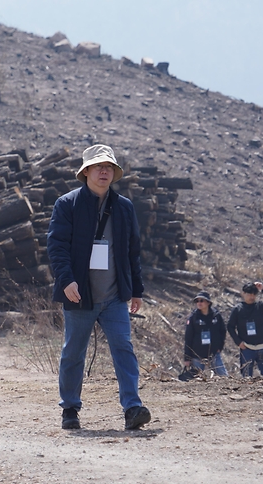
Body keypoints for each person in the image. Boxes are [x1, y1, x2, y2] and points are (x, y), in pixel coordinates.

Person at [47, 144, 151, 431]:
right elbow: (56, 247)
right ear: (86, 172)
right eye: (98, 166)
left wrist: (136, 289)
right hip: (80, 294)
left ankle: (132, 407)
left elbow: (132, 251)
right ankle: (70, 408)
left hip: (115, 296)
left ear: (114, 173)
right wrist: (66, 280)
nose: (103, 171)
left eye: (108, 167)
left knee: (124, 349)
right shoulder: (67, 205)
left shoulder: (124, 207)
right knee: (73, 352)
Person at [227, 281, 263, 377]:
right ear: (243, 293)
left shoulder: (259, 307)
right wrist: (238, 342)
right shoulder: (237, 309)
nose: (252, 297)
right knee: (246, 377)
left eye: (254, 294)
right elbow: (230, 327)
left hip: (262, 347)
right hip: (247, 347)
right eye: (249, 294)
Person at [182, 291, 228, 377]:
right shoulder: (193, 318)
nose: (199, 303)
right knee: (196, 379)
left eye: (201, 301)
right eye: (197, 301)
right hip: (197, 354)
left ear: (208, 302)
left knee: (224, 377)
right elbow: (188, 338)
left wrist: (220, 347)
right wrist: (187, 358)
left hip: (213, 353)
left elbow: (223, 331)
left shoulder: (216, 316)